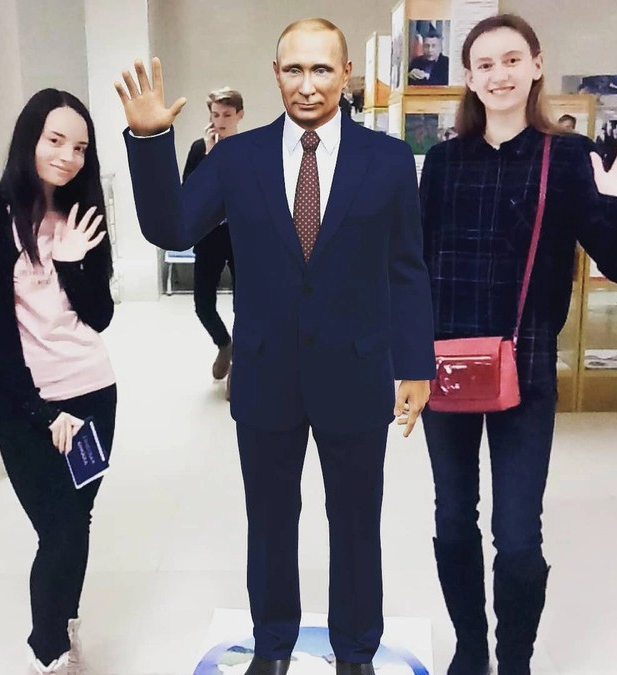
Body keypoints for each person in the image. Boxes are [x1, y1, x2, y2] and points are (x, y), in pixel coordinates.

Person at [115, 17, 435, 675]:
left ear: (345, 73)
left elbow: (406, 266)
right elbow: (172, 225)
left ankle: (355, 649)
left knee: (356, 522)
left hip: (355, 370)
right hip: (265, 373)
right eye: (294, 69)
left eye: (321, 69)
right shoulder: (238, 158)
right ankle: (271, 644)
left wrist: (414, 363)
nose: (307, 84)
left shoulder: (387, 159)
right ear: (275, 73)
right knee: (269, 521)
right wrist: (149, 139)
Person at [419, 14, 617, 675]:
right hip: (444, 364)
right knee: (453, 518)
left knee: (516, 536)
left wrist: (616, 198)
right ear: (468, 77)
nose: (499, 74)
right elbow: (414, 267)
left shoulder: (566, 157)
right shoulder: (443, 162)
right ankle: (470, 649)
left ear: (536, 65)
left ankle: (513, 660)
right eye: (484, 64)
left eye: (511, 60)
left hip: (526, 364)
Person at [0, 89, 117, 675]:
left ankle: (63, 626)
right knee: (59, 527)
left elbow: (99, 315)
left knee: (76, 520)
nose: (68, 157)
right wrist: (42, 412)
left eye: (80, 147)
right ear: (29, 139)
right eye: (55, 140)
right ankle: (48, 654)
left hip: (92, 391)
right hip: (28, 402)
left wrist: (72, 262)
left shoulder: (82, 214)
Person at [183, 88, 244, 397]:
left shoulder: (250, 149)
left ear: (239, 116)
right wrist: (208, 156)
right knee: (202, 304)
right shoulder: (199, 148)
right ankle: (224, 344)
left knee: (244, 305)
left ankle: (240, 366)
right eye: (215, 115)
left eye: (227, 115)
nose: (220, 121)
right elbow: (188, 193)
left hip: (241, 236)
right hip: (209, 235)